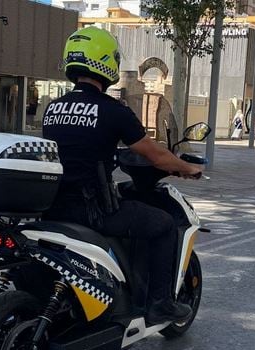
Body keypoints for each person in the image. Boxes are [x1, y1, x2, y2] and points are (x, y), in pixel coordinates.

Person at [41, 26, 203, 324]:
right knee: (164, 224)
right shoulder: (112, 110)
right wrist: (187, 168)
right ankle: (160, 304)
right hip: (92, 209)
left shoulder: (52, 108)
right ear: (106, 61)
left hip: (52, 205)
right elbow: (154, 154)